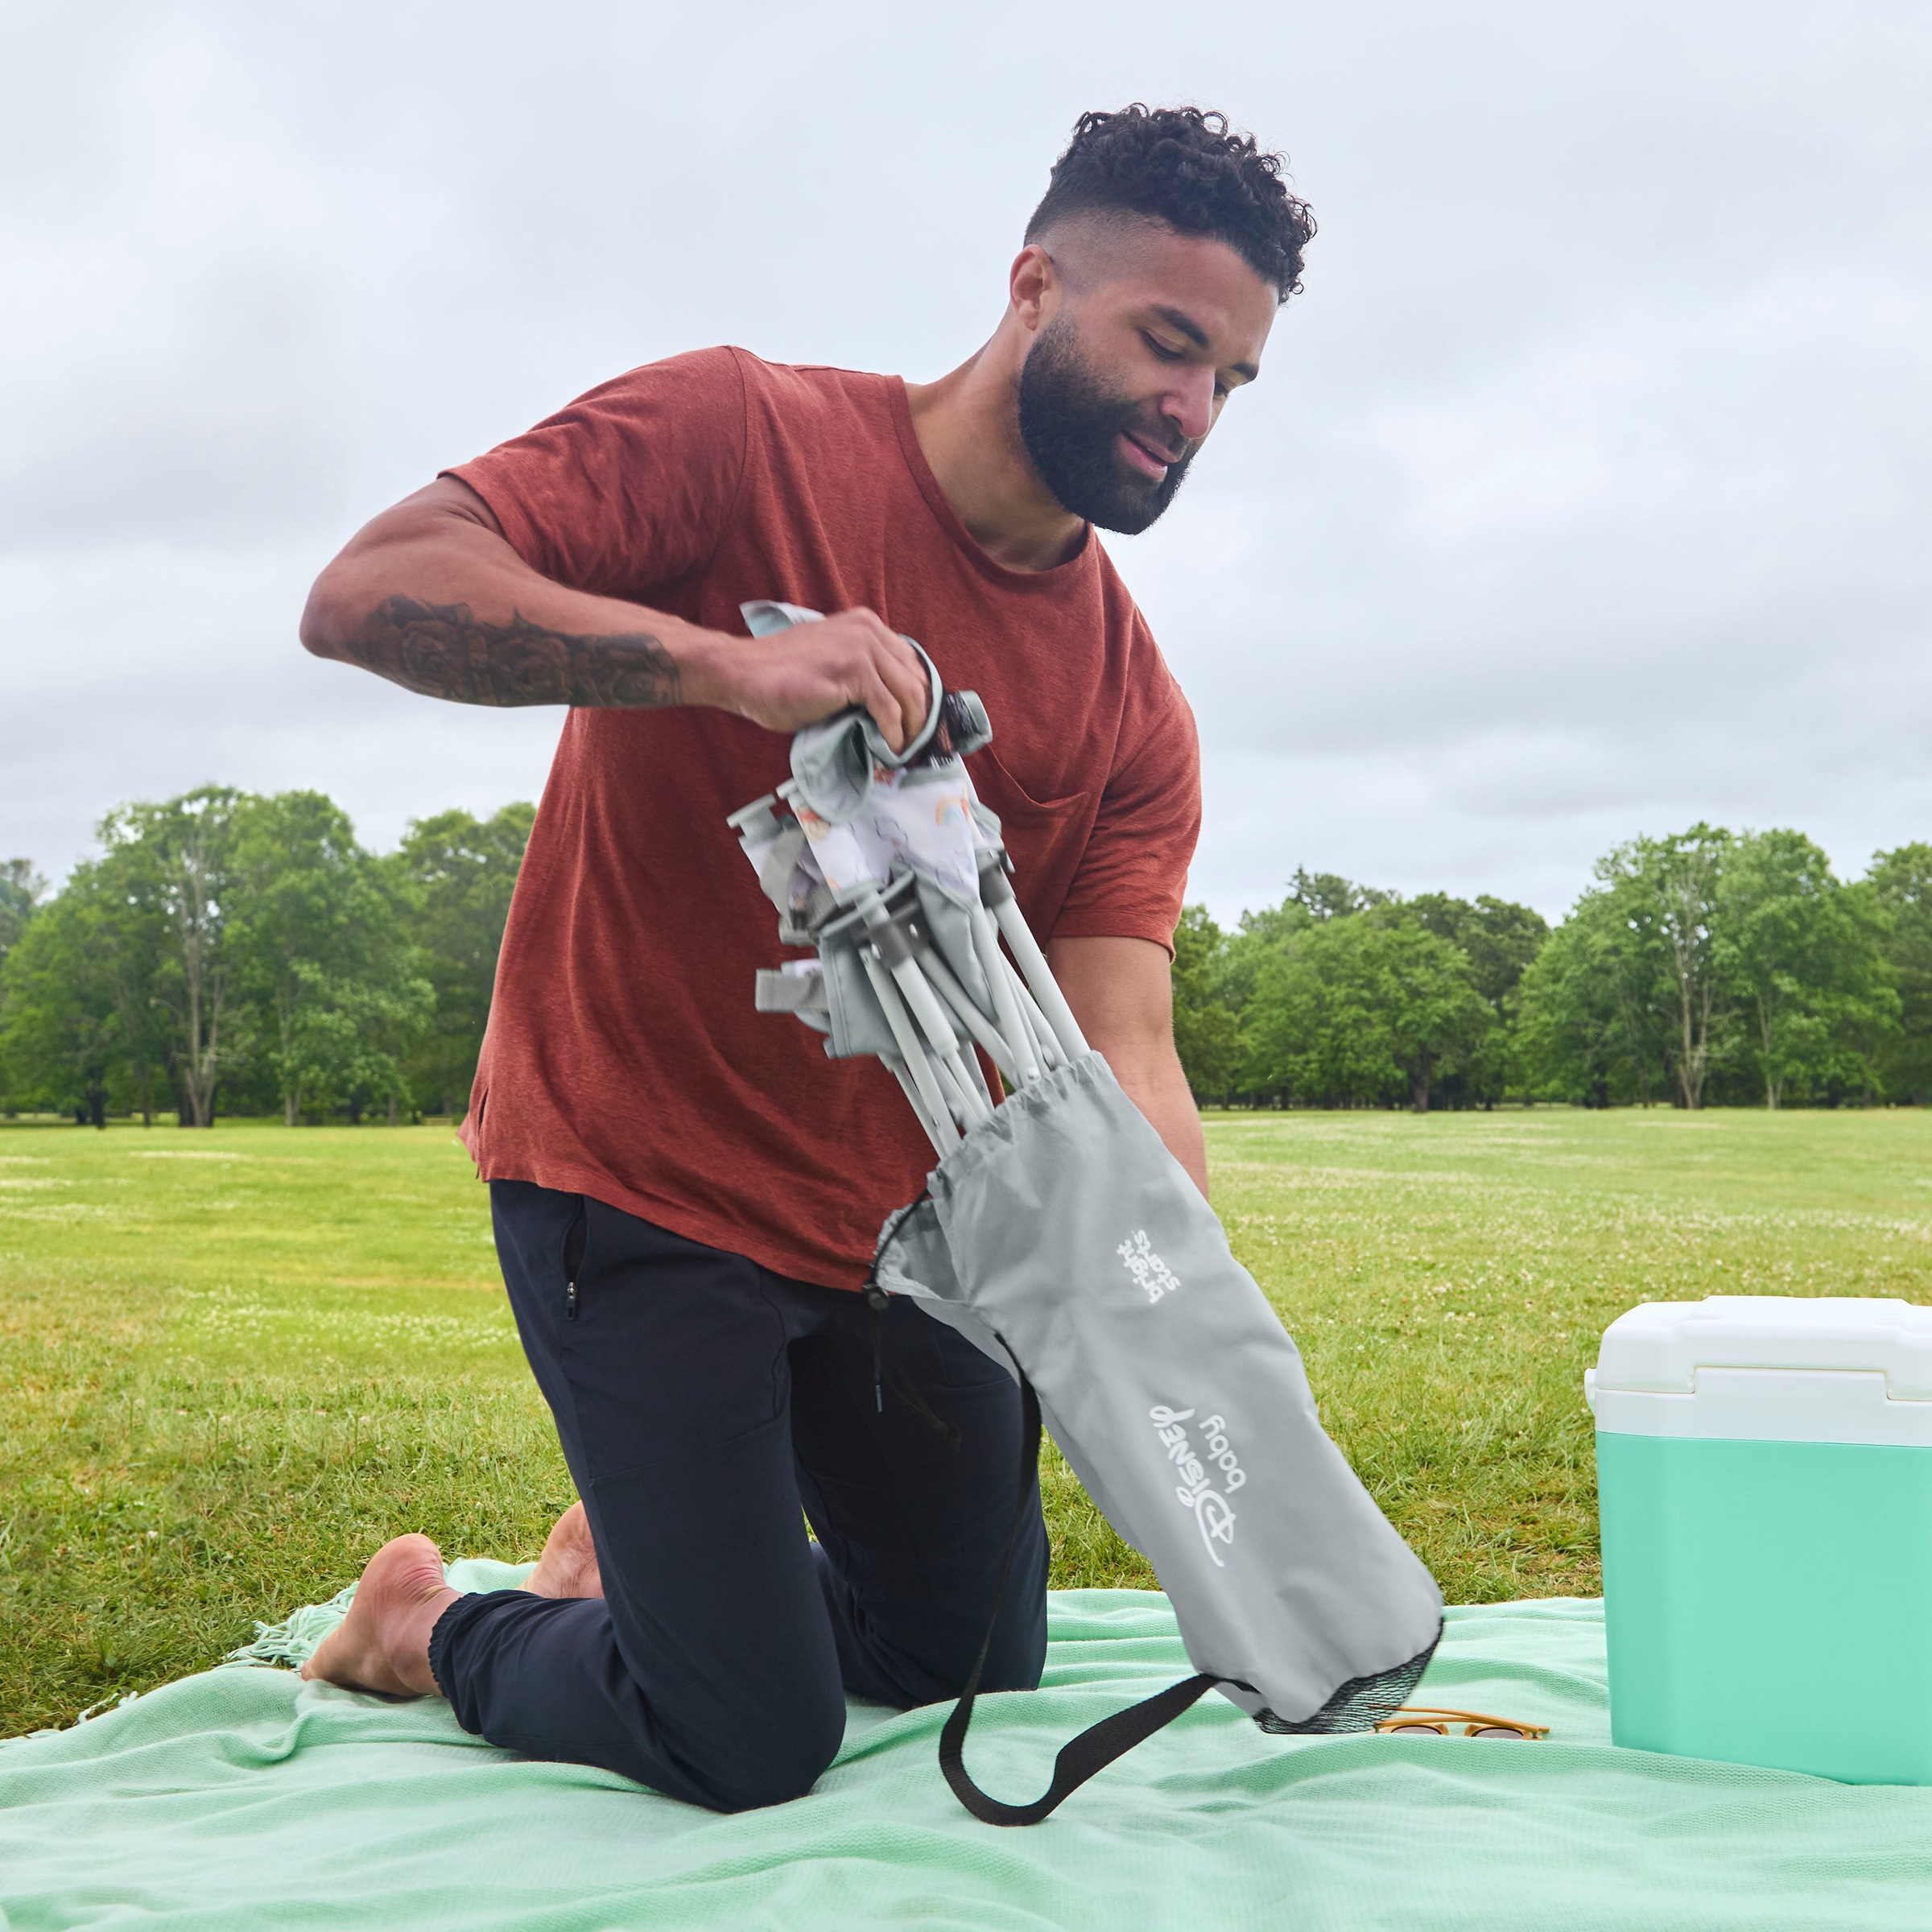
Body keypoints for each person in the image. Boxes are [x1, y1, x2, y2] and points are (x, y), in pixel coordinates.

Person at [296, 103, 1314, 1812]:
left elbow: (1123, 1042)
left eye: (1232, 381)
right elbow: (372, 590)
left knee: (968, 1659)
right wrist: (719, 667)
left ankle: (650, 1572)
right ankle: (428, 1630)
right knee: (746, 1743)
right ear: (1032, 283)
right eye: (1169, 343)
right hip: (635, 1185)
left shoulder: (1133, 705)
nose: (1192, 411)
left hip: (908, 1242)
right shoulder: (736, 434)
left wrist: (1170, 1313)